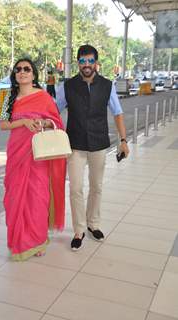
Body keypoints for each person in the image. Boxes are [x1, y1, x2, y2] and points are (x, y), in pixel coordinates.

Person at [56, 44, 129, 251]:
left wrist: (123, 141)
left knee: (96, 187)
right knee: (76, 188)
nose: (86, 65)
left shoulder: (107, 85)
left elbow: (117, 112)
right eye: (82, 61)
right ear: (78, 63)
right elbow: (54, 109)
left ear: (96, 63)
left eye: (90, 61)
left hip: (98, 143)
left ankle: (93, 224)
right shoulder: (68, 86)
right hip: (75, 145)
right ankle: (79, 230)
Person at [0, 58, 66, 261]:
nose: (22, 72)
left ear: (34, 74)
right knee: (15, 196)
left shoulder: (44, 97)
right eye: (18, 69)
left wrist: (43, 122)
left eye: (26, 69)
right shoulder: (9, 96)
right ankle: (18, 241)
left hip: (38, 154)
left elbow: (56, 122)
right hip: (17, 153)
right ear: (15, 74)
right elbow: (3, 124)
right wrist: (24, 122)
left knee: (38, 196)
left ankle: (37, 240)